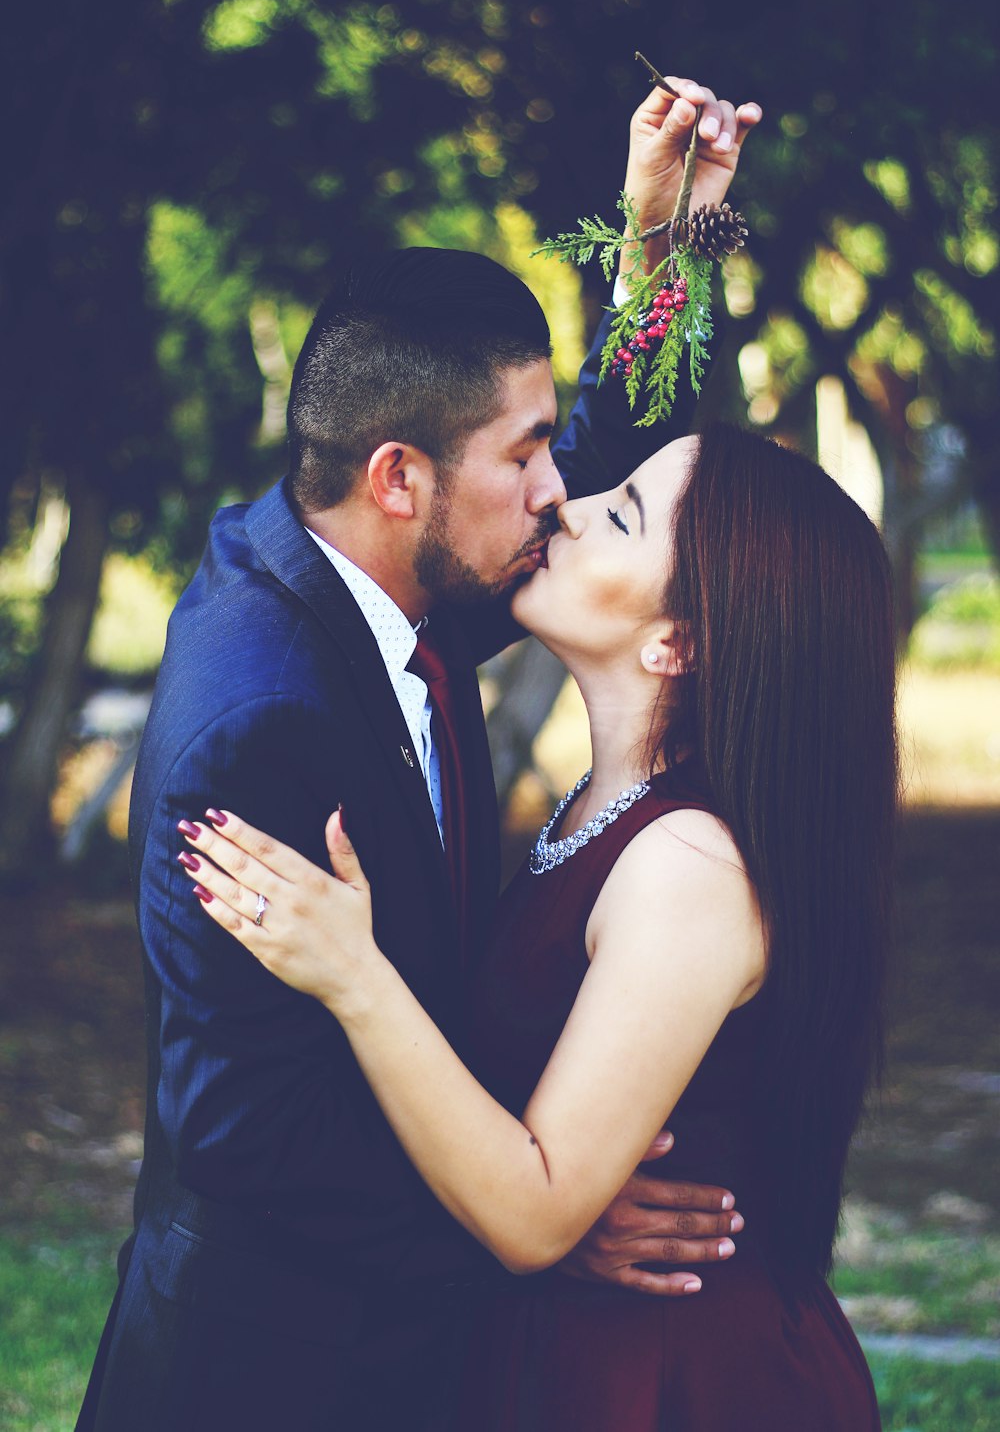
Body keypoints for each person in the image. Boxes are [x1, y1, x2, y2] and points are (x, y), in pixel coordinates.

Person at [76, 79, 763, 1432]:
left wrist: (663, 250)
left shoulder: (377, 562)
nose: (558, 492)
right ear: (402, 477)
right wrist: (539, 1213)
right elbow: (247, 1129)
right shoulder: (266, 717)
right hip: (281, 1374)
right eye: (526, 454)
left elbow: (626, 493)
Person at [182, 424, 896, 1430]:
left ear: (677, 641)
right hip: (556, 1350)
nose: (570, 505)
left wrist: (353, 973)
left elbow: (532, 1211)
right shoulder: (596, 810)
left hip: (677, 1381)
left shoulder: (690, 870)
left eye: (624, 513)